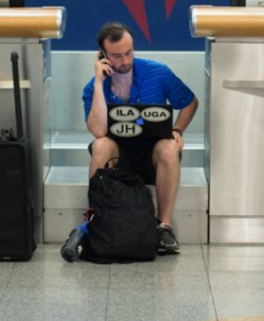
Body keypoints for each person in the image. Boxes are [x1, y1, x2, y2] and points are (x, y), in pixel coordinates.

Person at [83, 22, 199, 255]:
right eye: (116, 56)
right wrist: (98, 82)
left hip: (152, 157)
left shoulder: (157, 72)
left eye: (129, 52)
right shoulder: (93, 87)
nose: (125, 61)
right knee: (100, 144)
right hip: (119, 160)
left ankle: (164, 227)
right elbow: (97, 129)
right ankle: (98, 220)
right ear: (102, 56)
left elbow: (189, 102)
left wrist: (177, 130)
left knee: (168, 146)